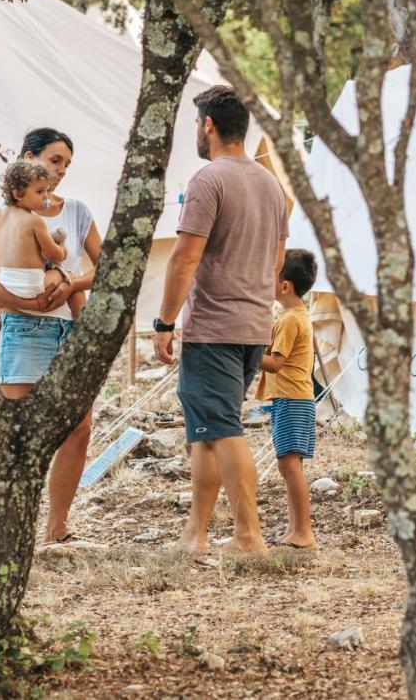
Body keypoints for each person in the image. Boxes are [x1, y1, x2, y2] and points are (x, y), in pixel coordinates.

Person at [153, 85, 288, 556]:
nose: (196, 130)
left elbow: (184, 258)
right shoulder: (271, 184)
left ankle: (249, 535)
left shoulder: (208, 180)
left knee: (222, 427)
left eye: (196, 123)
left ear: (208, 124)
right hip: (253, 326)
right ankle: (197, 535)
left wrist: (164, 321)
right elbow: (276, 263)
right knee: (206, 432)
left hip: (214, 326)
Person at [0, 128, 102, 544]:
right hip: (25, 327)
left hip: (71, 329)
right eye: (54, 161)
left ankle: (57, 527)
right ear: (28, 159)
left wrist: (70, 283)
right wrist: (29, 304)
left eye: (66, 164)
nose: (61, 171)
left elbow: (107, 268)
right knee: (14, 429)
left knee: (79, 426)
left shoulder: (78, 212)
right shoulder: (5, 215)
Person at [255, 249, 318, 549]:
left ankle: (303, 531)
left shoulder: (291, 320)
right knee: (291, 465)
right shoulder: (294, 316)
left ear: (285, 286)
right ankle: (295, 529)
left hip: (292, 398)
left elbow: (276, 363)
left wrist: (247, 353)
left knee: (289, 465)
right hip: (295, 398)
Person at [0, 160, 68, 302]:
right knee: (60, 275)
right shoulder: (36, 221)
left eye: (46, 190)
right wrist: (62, 250)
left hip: (4, 284)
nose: (46, 196)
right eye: (40, 191)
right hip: (30, 287)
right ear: (18, 194)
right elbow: (53, 255)